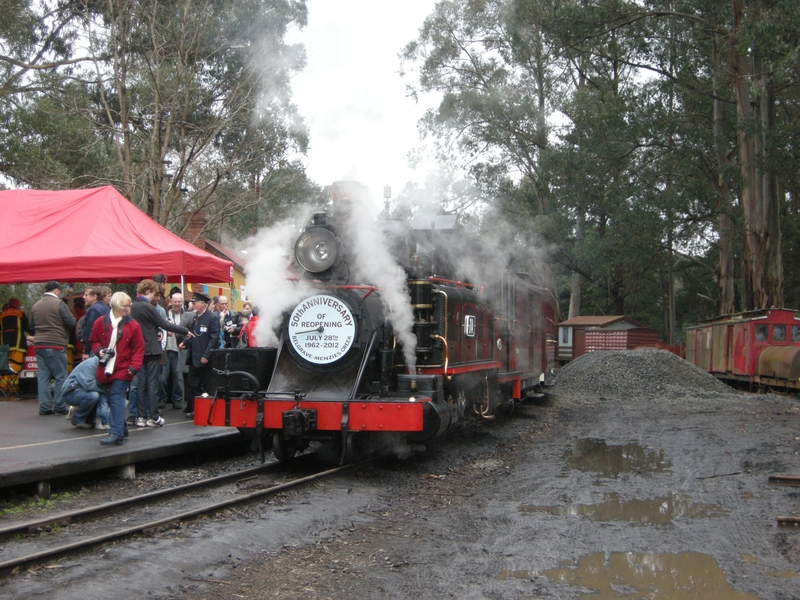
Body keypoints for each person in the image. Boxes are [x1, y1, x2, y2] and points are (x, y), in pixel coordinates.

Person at [129, 279, 188, 428]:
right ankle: (153, 416)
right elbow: (164, 324)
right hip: (152, 350)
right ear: (148, 291)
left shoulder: (133, 306)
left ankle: (141, 416)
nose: (155, 297)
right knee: (152, 384)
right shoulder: (147, 307)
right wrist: (185, 331)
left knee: (141, 384)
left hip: (139, 349)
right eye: (153, 294)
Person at [90, 292, 144, 446]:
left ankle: (116, 432)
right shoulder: (101, 322)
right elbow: (93, 340)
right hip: (106, 368)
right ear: (115, 306)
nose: (127, 309)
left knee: (116, 398)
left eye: (128, 306)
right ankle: (122, 428)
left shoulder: (133, 325)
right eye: (124, 306)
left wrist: (133, 367)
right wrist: (99, 350)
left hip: (123, 368)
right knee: (112, 399)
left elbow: (139, 348)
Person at [30, 281, 75, 415]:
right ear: (56, 291)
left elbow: (31, 326)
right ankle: (60, 406)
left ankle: (44, 407)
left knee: (43, 377)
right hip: (56, 343)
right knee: (61, 376)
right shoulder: (59, 304)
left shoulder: (35, 306)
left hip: (39, 344)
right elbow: (71, 322)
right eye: (60, 291)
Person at [180, 291, 219, 419]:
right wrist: (185, 342)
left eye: (195, 303)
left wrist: (206, 355)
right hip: (194, 357)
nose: (194, 305)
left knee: (206, 384)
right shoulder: (196, 317)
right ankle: (198, 407)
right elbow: (192, 333)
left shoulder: (212, 318)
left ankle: (206, 410)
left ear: (203, 304)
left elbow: (214, 339)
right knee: (192, 382)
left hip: (204, 358)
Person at [163, 292, 193, 410]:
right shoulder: (165, 314)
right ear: (171, 301)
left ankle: (177, 400)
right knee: (163, 378)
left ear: (182, 302)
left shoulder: (186, 315)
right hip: (167, 348)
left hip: (179, 350)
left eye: (179, 301)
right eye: (175, 301)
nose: (177, 304)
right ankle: (162, 398)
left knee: (178, 377)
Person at [62, 356, 108, 429]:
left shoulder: (99, 364)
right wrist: (107, 390)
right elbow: (89, 384)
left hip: (81, 390)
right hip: (71, 392)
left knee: (98, 394)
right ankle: (78, 419)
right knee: (94, 395)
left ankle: (90, 419)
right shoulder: (91, 364)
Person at [0, 298, 33, 372]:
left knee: (3, 368)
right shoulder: (20, 314)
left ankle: (3, 383)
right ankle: (13, 383)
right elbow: (28, 328)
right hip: (17, 347)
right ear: (17, 305)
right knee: (15, 368)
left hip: (4, 348)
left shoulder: (1, 315)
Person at [81, 287, 110, 360]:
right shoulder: (106, 307)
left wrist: (86, 351)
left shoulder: (93, 310)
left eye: (86, 295)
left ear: (94, 297)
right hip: (104, 346)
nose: (83, 297)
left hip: (95, 348)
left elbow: (90, 330)